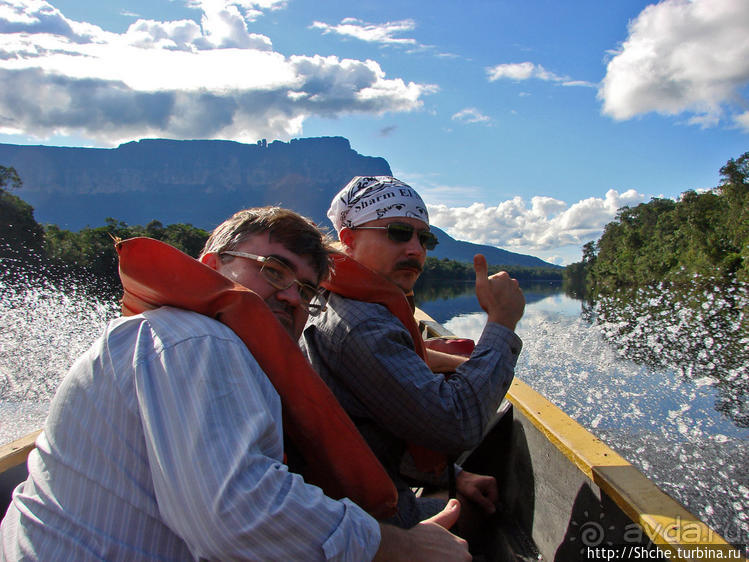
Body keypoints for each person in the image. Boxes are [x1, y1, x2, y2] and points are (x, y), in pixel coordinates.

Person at [1, 206, 471, 561]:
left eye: (307, 290)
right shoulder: (196, 338)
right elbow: (239, 516)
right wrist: (403, 547)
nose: (291, 296)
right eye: (273, 270)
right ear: (212, 263)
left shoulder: (201, 339)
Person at [301, 176, 526, 529]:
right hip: (366, 519)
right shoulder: (363, 325)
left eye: (425, 238)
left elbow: (369, 428)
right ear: (349, 237)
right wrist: (501, 322)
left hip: (349, 491)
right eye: (397, 232)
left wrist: (455, 474)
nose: (415, 249)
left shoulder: (338, 297)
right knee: (482, 516)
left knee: (462, 491)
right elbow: (456, 423)